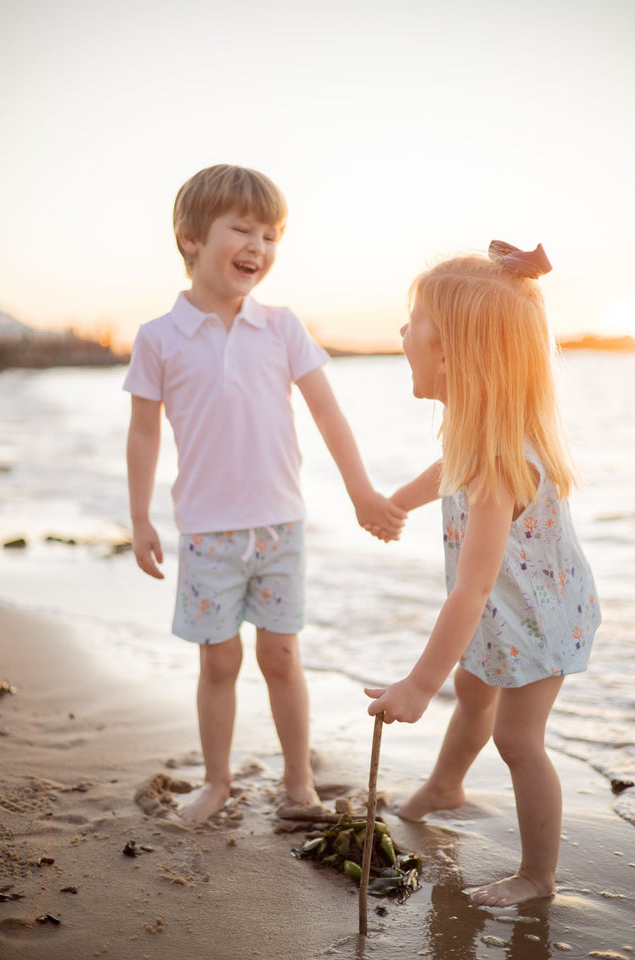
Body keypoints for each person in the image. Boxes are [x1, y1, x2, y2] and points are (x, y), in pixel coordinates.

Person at [124, 164, 406, 824]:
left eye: (272, 235)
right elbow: (142, 436)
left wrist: (362, 491)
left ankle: (298, 780)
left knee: (281, 656)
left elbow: (328, 413)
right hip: (207, 532)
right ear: (190, 238)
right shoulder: (159, 338)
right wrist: (140, 519)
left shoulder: (281, 328)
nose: (259, 246)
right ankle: (217, 781)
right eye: (242, 229)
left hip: (280, 526)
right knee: (219, 660)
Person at [365, 241, 601, 907]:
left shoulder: (502, 465)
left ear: (453, 354)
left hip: (538, 620)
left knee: (517, 738)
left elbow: (469, 590)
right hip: (506, 611)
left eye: (414, 321)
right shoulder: (477, 433)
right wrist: (395, 503)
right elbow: (445, 472)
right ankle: (445, 786)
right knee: (473, 692)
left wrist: (416, 685)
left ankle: (538, 876)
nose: (402, 332)